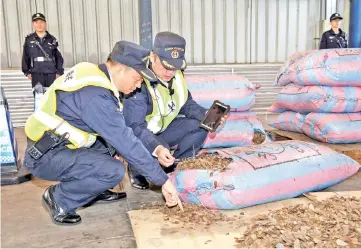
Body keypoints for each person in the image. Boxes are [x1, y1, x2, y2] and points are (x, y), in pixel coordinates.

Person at [23, 41, 180, 226]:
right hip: (45, 156)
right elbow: (125, 140)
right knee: (115, 171)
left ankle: (94, 189)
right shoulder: (95, 95)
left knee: (113, 143)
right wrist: (163, 180)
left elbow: (121, 131)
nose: (138, 86)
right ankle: (60, 198)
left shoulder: (95, 73)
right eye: (137, 79)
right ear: (121, 68)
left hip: (55, 144)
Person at [123, 32, 225, 189]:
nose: (170, 73)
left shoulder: (176, 77)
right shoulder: (138, 81)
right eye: (165, 66)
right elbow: (135, 127)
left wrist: (207, 115)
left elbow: (186, 104)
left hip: (165, 129)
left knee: (200, 125)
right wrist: (157, 148)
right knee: (157, 155)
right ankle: (136, 168)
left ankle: (178, 167)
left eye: (175, 67)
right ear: (153, 56)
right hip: (143, 135)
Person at [22, 13, 64, 91]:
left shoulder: (52, 39)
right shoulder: (29, 39)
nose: (39, 25)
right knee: (38, 98)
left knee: (52, 98)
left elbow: (59, 57)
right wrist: (27, 72)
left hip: (51, 74)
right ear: (33, 24)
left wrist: (59, 72)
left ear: (45, 23)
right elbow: (25, 56)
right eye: (36, 22)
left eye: (41, 22)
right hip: (36, 73)